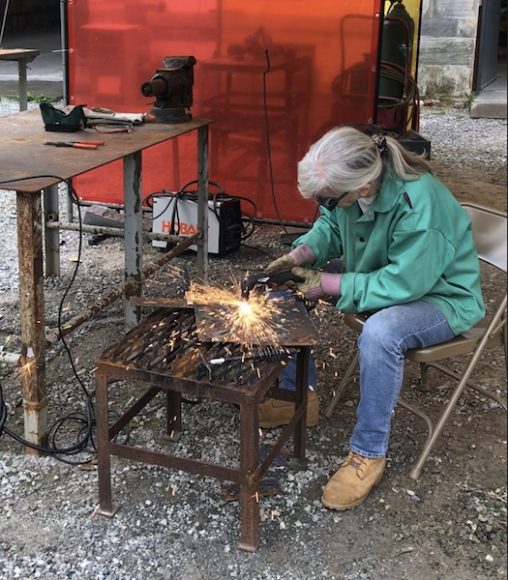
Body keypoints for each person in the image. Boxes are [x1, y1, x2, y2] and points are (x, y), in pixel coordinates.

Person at [260, 125, 485, 511]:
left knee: (381, 333)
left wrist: (328, 283)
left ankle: (368, 453)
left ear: (362, 187)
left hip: (440, 296)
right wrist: (299, 257)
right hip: (385, 271)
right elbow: (331, 225)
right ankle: (300, 397)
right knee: (281, 285)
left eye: (329, 199)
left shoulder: (419, 206)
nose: (325, 205)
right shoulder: (356, 191)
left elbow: (405, 284)